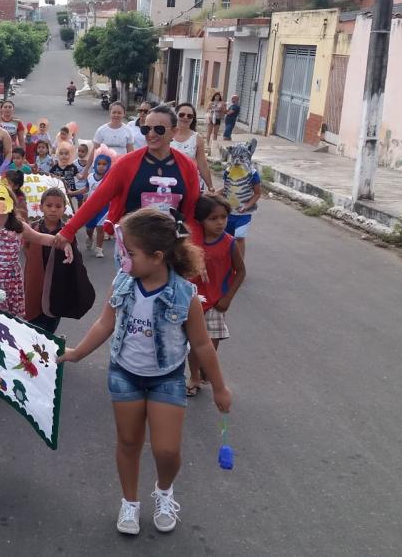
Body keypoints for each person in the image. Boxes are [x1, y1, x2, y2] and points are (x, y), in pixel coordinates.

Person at [58, 209, 232, 537]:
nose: (122, 258)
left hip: (166, 377)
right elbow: (104, 323)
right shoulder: (123, 283)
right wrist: (76, 354)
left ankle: (164, 492)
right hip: (125, 374)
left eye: (129, 253)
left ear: (156, 256)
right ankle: (130, 502)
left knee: (167, 450)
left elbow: (202, 344)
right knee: (128, 441)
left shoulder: (185, 295)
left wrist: (220, 388)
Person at [0, 182, 74, 398]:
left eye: (1, 199)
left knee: (10, 331)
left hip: (11, 288)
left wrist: (63, 243)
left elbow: (41, 238)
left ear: (9, 202)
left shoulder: (18, 226)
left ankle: (12, 368)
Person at [52, 105, 202, 252]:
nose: (151, 134)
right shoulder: (126, 164)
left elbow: (191, 213)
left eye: (159, 129)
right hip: (132, 247)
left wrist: (194, 250)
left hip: (171, 247)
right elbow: (97, 199)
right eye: (146, 129)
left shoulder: (187, 167)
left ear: (174, 132)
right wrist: (69, 230)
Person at [186, 194, 245, 397]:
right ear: (200, 220)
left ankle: (205, 367)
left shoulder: (229, 243)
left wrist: (227, 298)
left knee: (211, 343)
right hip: (192, 301)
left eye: (223, 217)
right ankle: (193, 376)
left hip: (215, 303)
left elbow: (241, 271)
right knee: (194, 344)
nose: (220, 222)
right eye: (213, 218)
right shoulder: (191, 242)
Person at [24, 188, 75, 333]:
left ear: (64, 209)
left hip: (57, 283)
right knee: (33, 323)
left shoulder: (67, 232)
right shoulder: (33, 229)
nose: (53, 210)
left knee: (51, 320)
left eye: (58, 206)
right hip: (35, 281)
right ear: (41, 207)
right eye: (49, 205)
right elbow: (26, 249)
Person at [221, 139, 262, 259]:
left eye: (241, 157)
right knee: (228, 238)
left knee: (239, 236)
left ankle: (239, 265)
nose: (237, 161)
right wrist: (212, 194)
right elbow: (226, 189)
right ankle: (228, 263)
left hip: (244, 214)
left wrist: (246, 206)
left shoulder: (252, 174)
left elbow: (257, 194)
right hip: (228, 212)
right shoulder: (228, 172)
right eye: (235, 157)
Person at [172, 103, 215, 192]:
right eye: (182, 114)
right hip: (168, 182)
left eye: (189, 116)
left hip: (190, 182)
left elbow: (202, 164)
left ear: (193, 119)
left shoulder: (197, 138)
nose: (185, 117)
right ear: (175, 115)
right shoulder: (166, 134)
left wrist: (210, 187)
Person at [85, 150, 114, 257]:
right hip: (90, 206)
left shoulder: (110, 178)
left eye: (104, 164)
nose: (101, 166)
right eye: (99, 164)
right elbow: (85, 190)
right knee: (89, 228)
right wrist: (71, 192)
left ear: (109, 165)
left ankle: (99, 249)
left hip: (104, 207)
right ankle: (89, 237)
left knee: (100, 227)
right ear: (95, 164)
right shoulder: (90, 177)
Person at [50, 142, 84, 209]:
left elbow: (79, 177)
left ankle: (79, 211)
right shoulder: (54, 168)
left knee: (80, 196)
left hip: (72, 190)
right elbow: (50, 178)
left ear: (70, 155)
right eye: (61, 154)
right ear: (58, 155)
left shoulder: (72, 167)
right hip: (59, 190)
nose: (64, 155)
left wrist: (85, 173)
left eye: (66, 154)